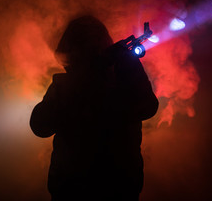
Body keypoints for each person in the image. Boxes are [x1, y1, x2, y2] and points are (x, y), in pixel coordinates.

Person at [30, 16, 158, 201]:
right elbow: (40, 126)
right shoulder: (68, 85)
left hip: (109, 187)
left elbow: (147, 107)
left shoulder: (119, 77)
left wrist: (128, 66)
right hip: (82, 188)